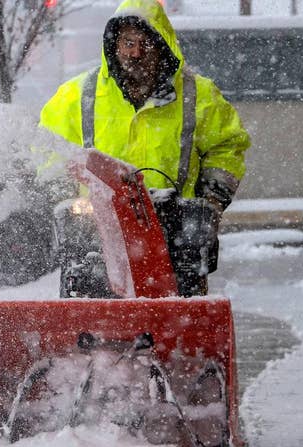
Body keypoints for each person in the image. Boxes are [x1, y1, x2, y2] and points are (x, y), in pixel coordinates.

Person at [40, 0, 250, 295]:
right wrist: (64, 197)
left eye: (145, 43)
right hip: (98, 232)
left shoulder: (197, 95)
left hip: (176, 232)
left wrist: (211, 200)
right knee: (93, 320)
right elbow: (48, 151)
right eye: (127, 42)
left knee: (178, 325)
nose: (135, 53)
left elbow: (227, 148)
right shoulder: (77, 96)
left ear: (162, 46)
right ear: (114, 45)